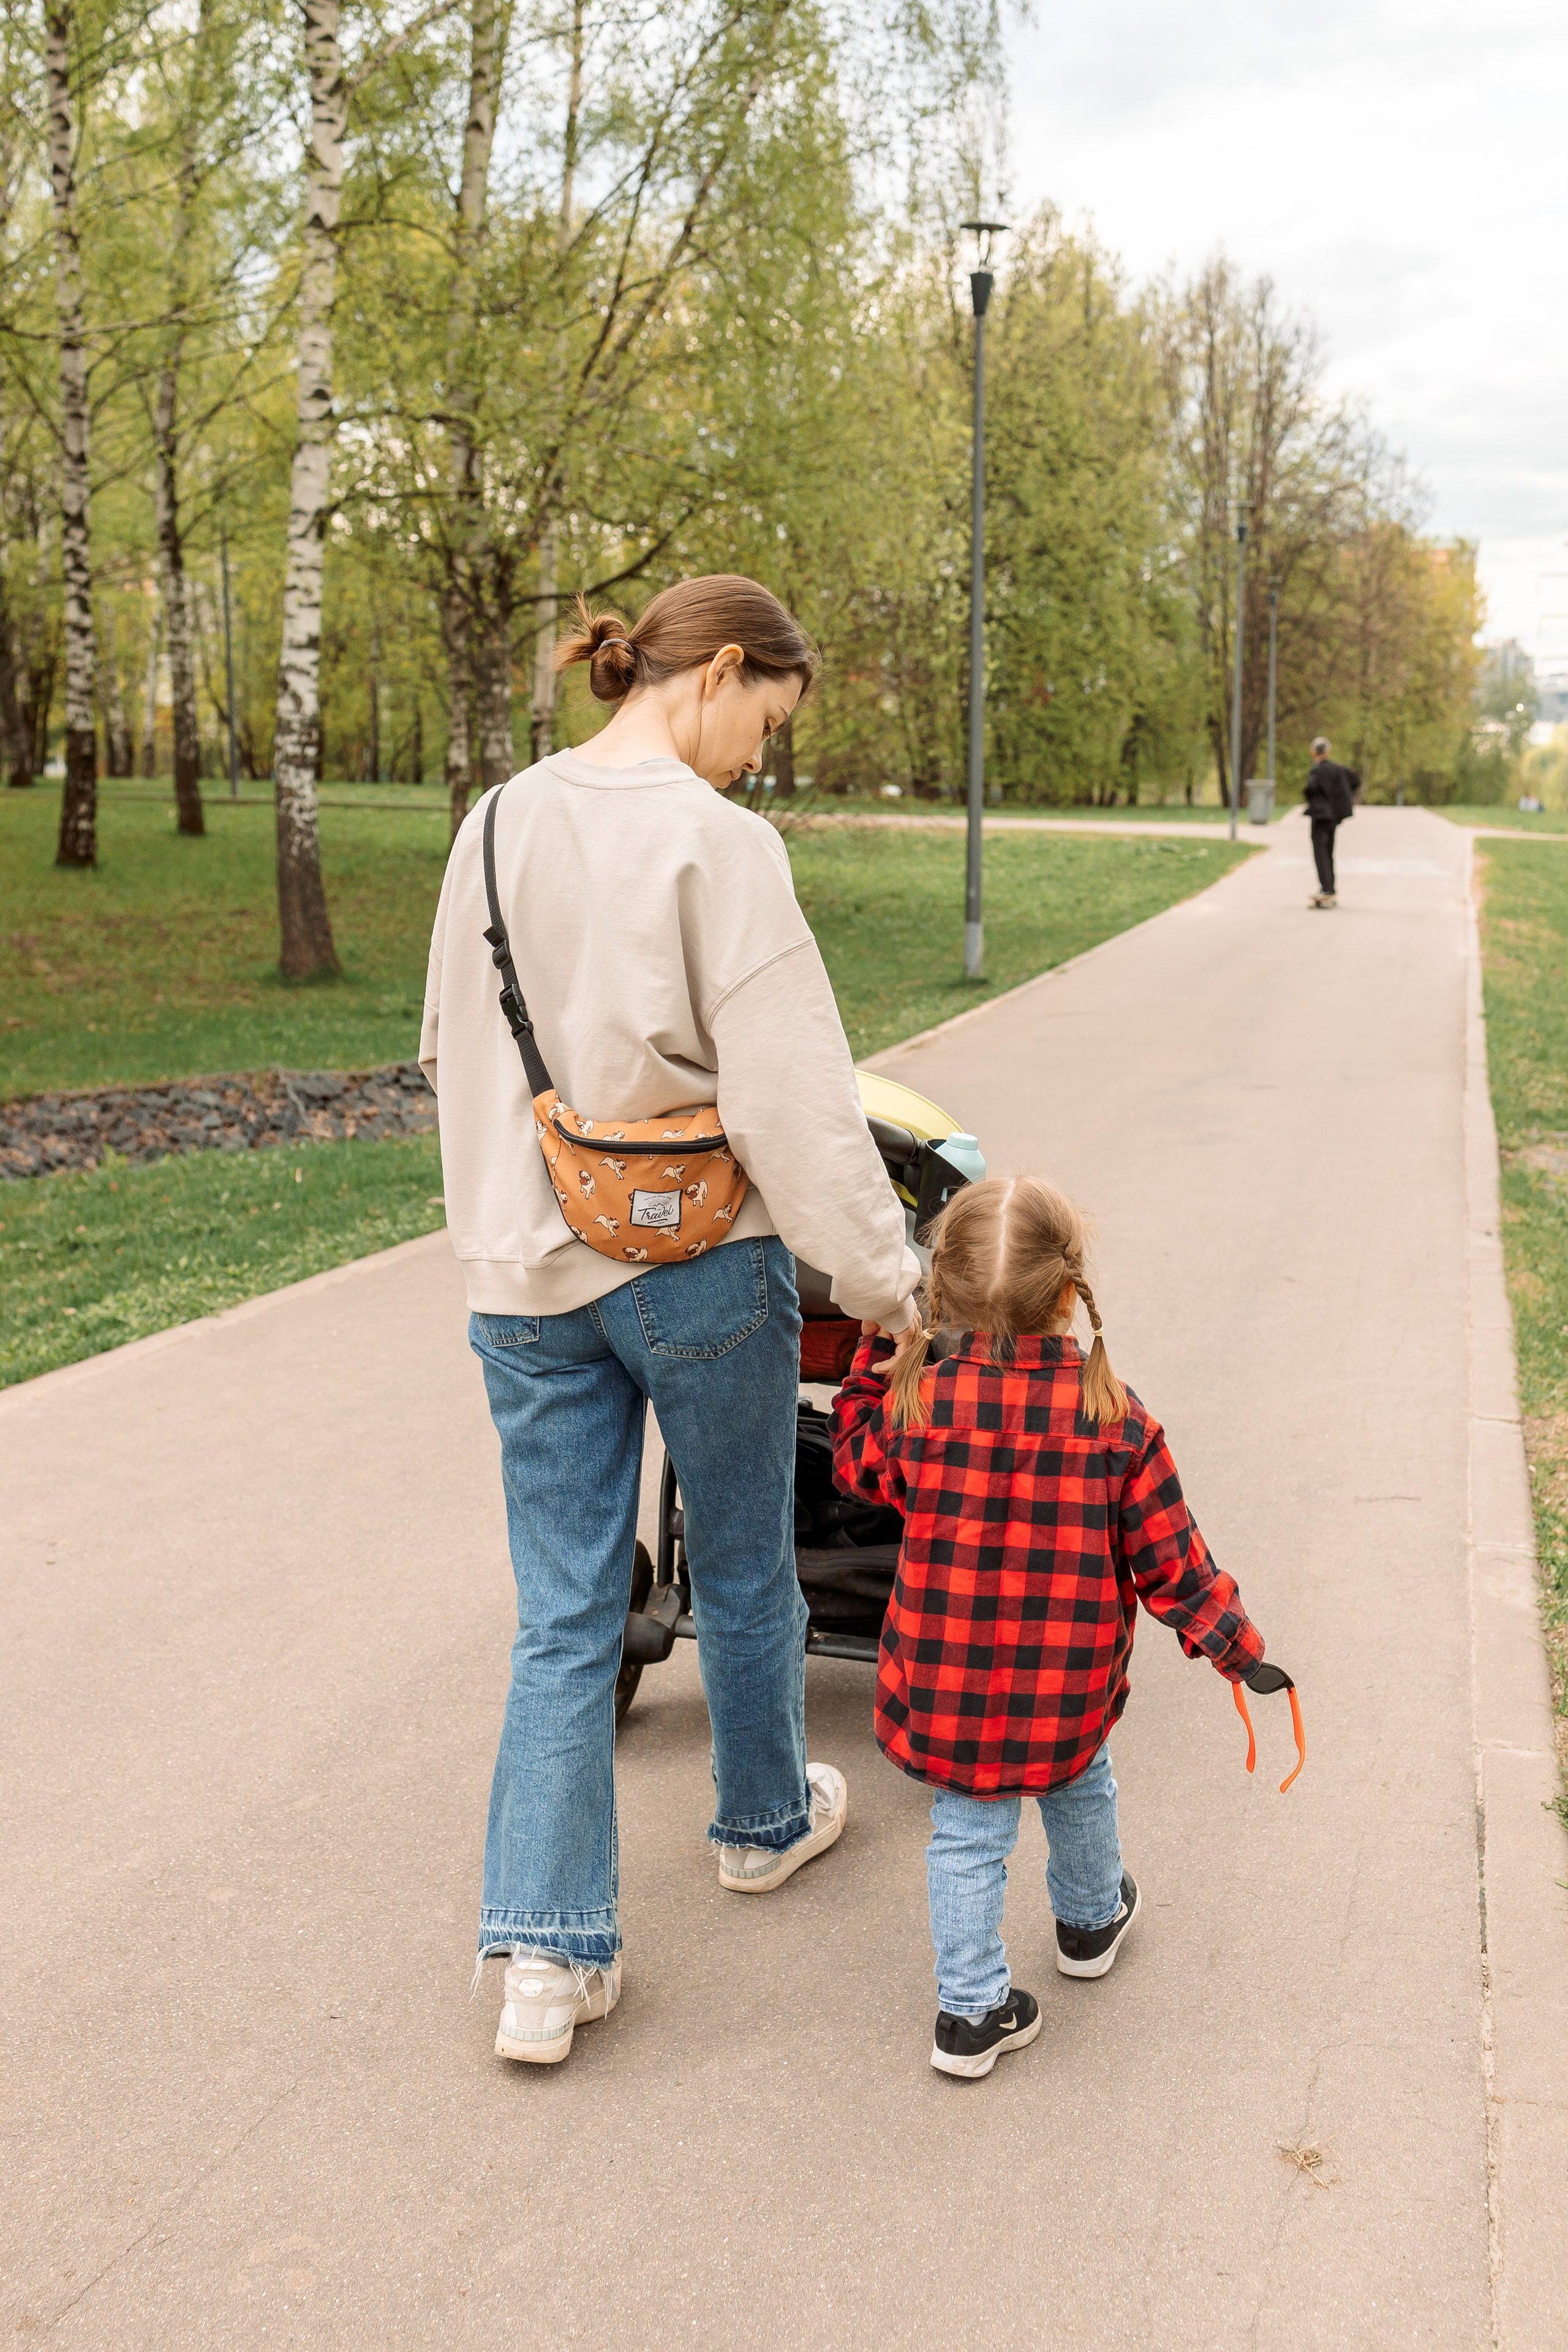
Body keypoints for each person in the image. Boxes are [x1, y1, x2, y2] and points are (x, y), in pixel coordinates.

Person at [421, 575, 921, 2065]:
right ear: (713, 672)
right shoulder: (725, 849)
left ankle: (539, 1961)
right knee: (747, 1551)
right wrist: (891, 1288)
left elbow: (450, 1043)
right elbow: (796, 1109)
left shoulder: (496, 821)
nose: (755, 756)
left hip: (522, 1268)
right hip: (700, 1265)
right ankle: (761, 1821)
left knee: (565, 1609)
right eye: (761, 720)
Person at [829, 1175, 1287, 2079]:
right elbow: (1174, 1565)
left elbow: (854, 1472)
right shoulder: (1116, 1421)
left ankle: (971, 2014)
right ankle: (1088, 1923)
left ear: (942, 1294)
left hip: (946, 1681)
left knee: (967, 1832)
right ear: (1069, 1293)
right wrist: (1238, 1648)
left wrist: (862, 1373)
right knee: (1080, 1782)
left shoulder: (920, 1405)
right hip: (1067, 1683)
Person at [1302, 736, 1357, 908]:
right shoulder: (1338, 769)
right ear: (1328, 752)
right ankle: (1330, 888)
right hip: (1333, 817)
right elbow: (1356, 779)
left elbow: (1310, 789)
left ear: (1313, 752)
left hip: (1320, 817)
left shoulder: (1317, 771)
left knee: (1320, 852)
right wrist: (1344, 796)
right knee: (1329, 852)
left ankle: (1326, 889)